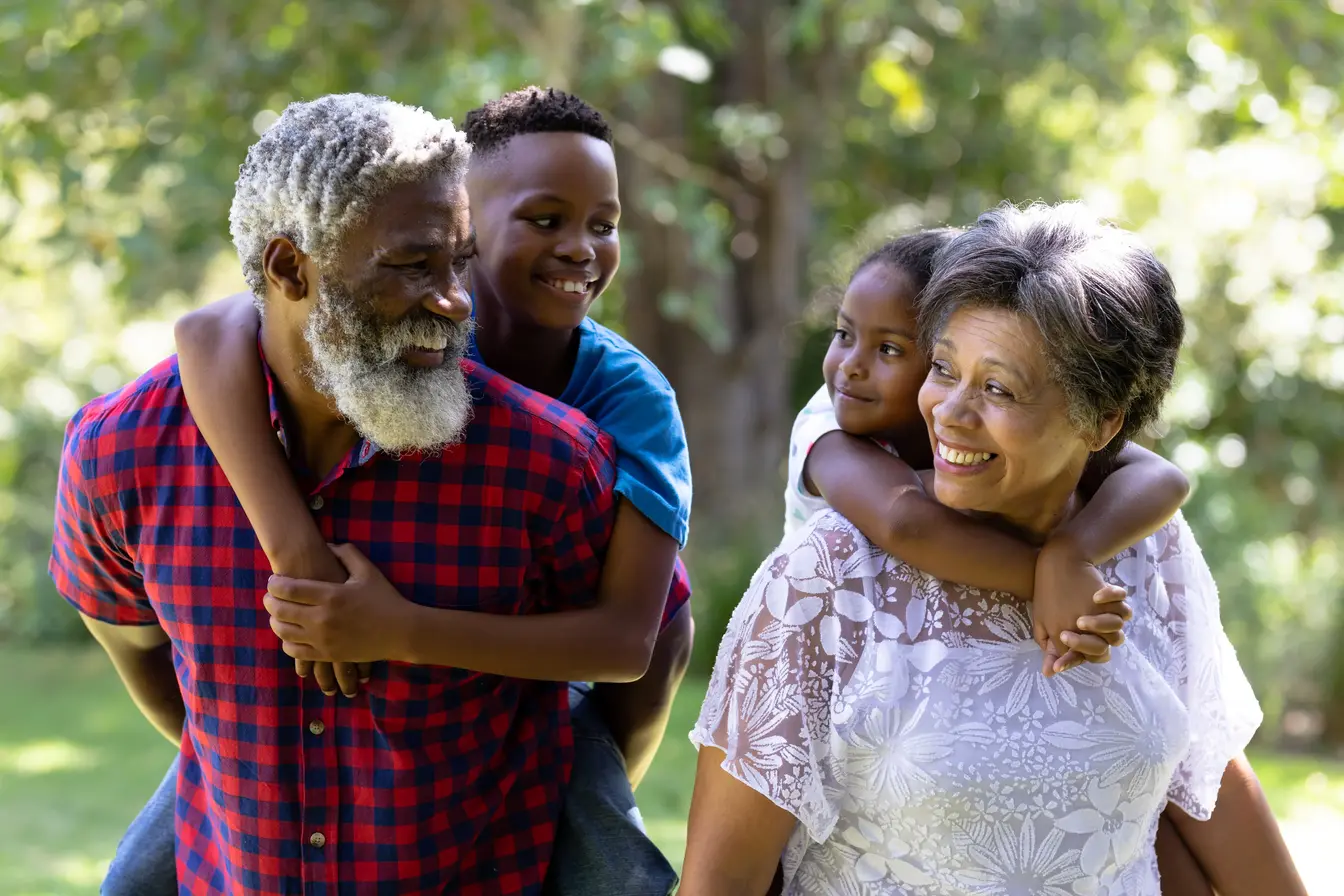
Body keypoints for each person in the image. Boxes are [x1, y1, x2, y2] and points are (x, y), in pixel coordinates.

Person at [101, 87, 689, 896]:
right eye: (544, 219)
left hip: (564, 675)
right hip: (287, 742)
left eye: (604, 223)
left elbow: (638, 641)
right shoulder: (396, 328)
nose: (580, 248)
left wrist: (398, 630)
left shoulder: (619, 401)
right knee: (135, 880)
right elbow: (210, 331)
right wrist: (295, 548)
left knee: (614, 867)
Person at [680, 202, 1307, 895]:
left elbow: (1206, 777)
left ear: (1102, 423)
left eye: (999, 387)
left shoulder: (1148, 547)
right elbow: (721, 884)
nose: (949, 410)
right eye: (943, 369)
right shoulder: (829, 575)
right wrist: (1047, 570)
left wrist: (1069, 553)